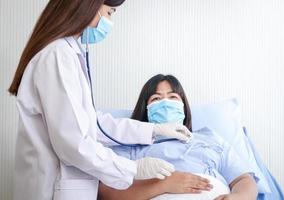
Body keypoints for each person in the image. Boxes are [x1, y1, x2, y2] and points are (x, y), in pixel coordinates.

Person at [8, 1, 198, 200]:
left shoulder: (68, 54)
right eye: (109, 12)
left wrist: (153, 130)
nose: (109, 20)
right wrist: (133, 168)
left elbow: (93, 124)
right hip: (52, 189)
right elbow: (73, 144)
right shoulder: (57, 56)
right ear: (87, 7)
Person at [99, 74, 258, 200]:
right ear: (146, 109)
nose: (165, 103)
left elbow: (243, 179)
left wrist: (238, 197)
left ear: (183, 106)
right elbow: (107, 194)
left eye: (173, 97)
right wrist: (163, 185)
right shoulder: (128, 143)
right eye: (156, 99)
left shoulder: (210, 139)